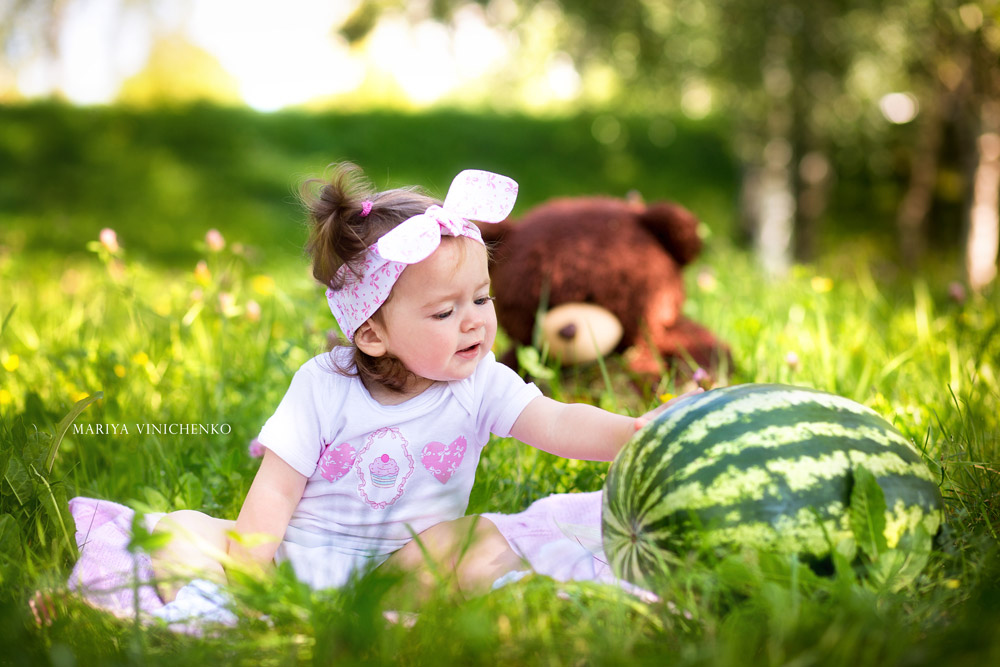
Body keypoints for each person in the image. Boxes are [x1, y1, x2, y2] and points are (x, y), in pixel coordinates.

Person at [150, 164, 677, 603]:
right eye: (446, 311)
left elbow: (557, 421)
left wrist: (633, 433)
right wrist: (252, 576)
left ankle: (453, 606)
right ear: (373, 334)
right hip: (299, 556)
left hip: (406, 568)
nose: (474, 321)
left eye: (481, 298)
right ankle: (213, 610)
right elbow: (275, 490)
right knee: (179, 530)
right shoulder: (323, 386)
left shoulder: (480, 381)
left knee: (485, 539)